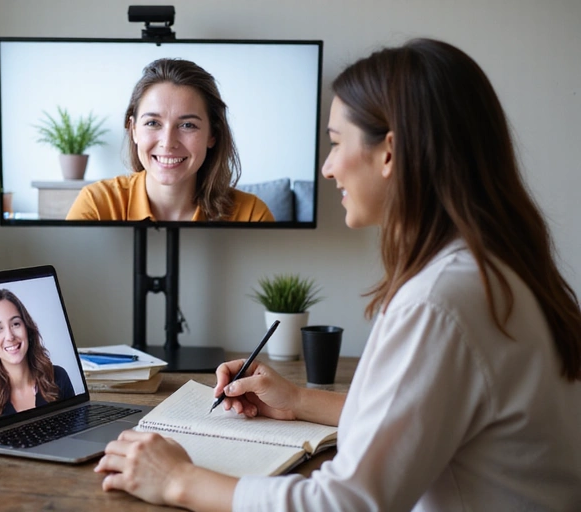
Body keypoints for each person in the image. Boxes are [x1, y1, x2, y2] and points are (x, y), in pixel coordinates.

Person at [92, 38, 581, 510]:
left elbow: (348, 503)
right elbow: (414, 419)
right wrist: (297, 400)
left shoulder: (442, 300)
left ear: (389, 152)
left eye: (335, 142)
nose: (326, 168)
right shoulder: (489, 271)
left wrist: (179, 480)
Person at [66, 58, 275, 222]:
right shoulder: (96, 205)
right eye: (153, 123)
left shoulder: (251, 214)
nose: (168, 142)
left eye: (187, 125)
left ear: (212, 135)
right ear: (134, 130)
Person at [0, 288, 75, 425]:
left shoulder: (58, 377)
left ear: (27, 329)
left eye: (15, 324)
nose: (10, 336)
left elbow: (78, 431)